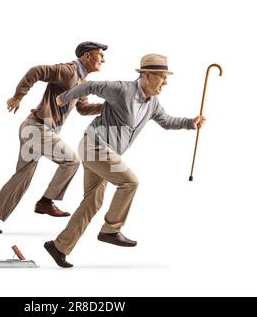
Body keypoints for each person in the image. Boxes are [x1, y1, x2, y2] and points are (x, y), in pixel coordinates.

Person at [44, 54, 206, 267]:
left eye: (166, 77)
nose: (166, 82)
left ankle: (59, 246)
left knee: (92, 202)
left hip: (106, 152)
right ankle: (111, 230)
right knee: (130, 182)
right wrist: (63, 98)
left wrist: (190, 123)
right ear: (146, 76)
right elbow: (90, 85)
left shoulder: (152, 104)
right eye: (162, 77)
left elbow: (166, 121)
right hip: (95, 145)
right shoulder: (122, 89)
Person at [0, 42, 108, 233]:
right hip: (36, 128)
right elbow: (36, 71)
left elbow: (83, 109)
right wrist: (18, 97)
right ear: (87, 56)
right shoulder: (68, 71)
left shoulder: (83, 82)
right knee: (71, 160)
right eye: (100, 55)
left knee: (22, 178)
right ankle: (46, 202)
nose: (103, 59)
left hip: (36, 129)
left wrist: (107, 107)